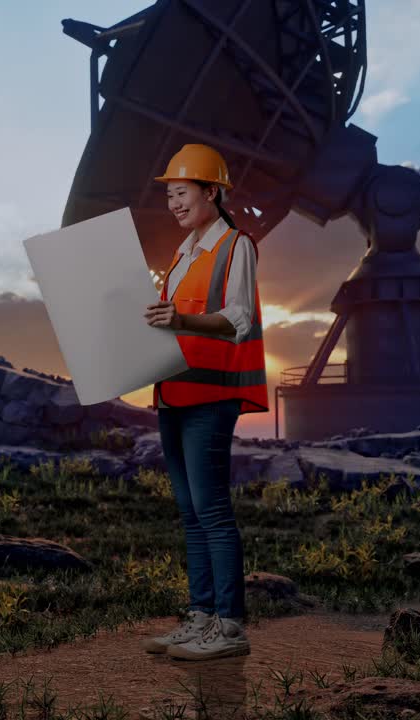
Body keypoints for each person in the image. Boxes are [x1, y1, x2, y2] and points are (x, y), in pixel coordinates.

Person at [138, 143, 268, 661]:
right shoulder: (182, 254)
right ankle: (200, 617)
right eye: (169, 194)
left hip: (212, 393)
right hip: (174, 391)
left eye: (182, 192)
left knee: (211, 510)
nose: (173, 202)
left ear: (211, 192)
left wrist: (181, 320)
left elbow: (238, 319)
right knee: (190, 512)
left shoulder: (236, 246)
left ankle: (230, 627)